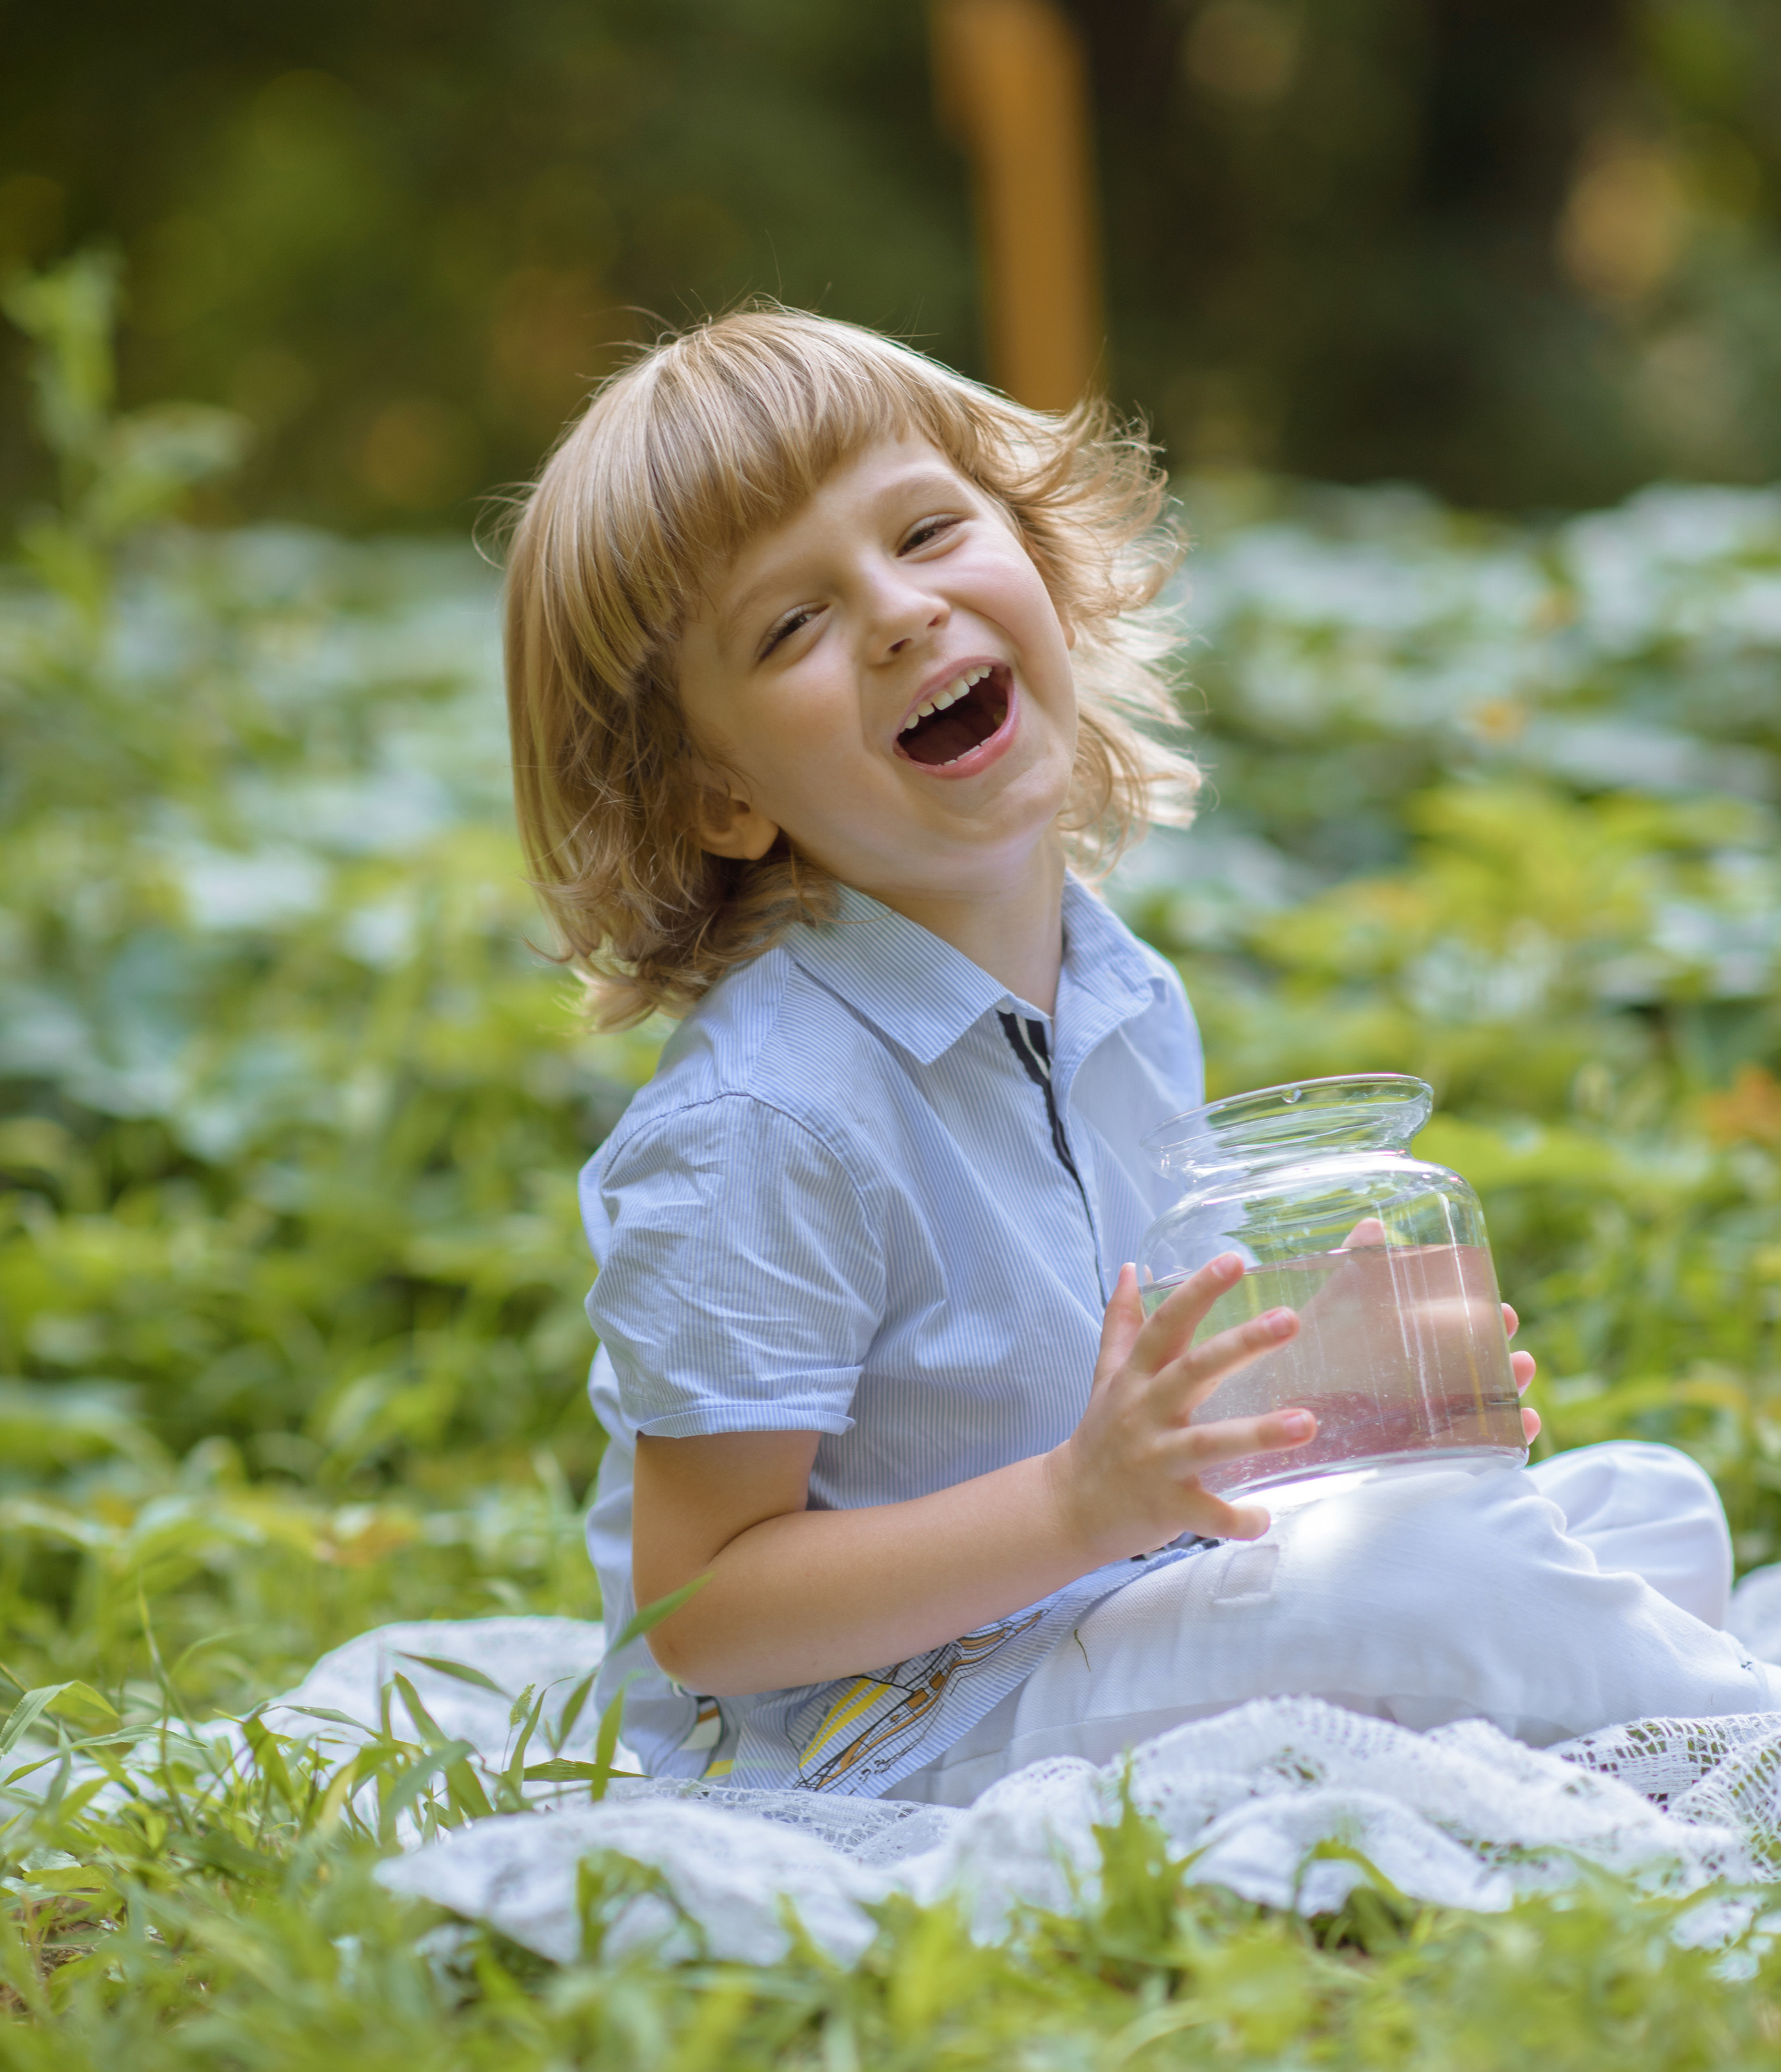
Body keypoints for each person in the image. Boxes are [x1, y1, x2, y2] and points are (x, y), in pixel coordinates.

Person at [502, 309, 1779, 1805]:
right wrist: (1074, 1505)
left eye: (925, 531)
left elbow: (1124, 1402)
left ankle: (1563, 1695)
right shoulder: (766, 1120)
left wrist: (1323, 1404)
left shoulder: (1117, 988)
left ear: (1036, 562)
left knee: (1644, 1505)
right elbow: (701, 1614)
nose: (899, 611)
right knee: (1447, 1574)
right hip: (880, 1731)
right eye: (788, 625)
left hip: (1088, 1605)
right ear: (718, 797)